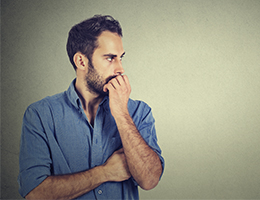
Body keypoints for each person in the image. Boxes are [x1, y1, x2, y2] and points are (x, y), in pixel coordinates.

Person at [18, 15, 164, 200]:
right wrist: (105, 173)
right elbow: (34, 193)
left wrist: (120, 113)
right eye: (110, 58)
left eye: (121, 58)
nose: (120, 69)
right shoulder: (40, 115)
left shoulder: (139, 112)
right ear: (81, 61)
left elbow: (150, 180)